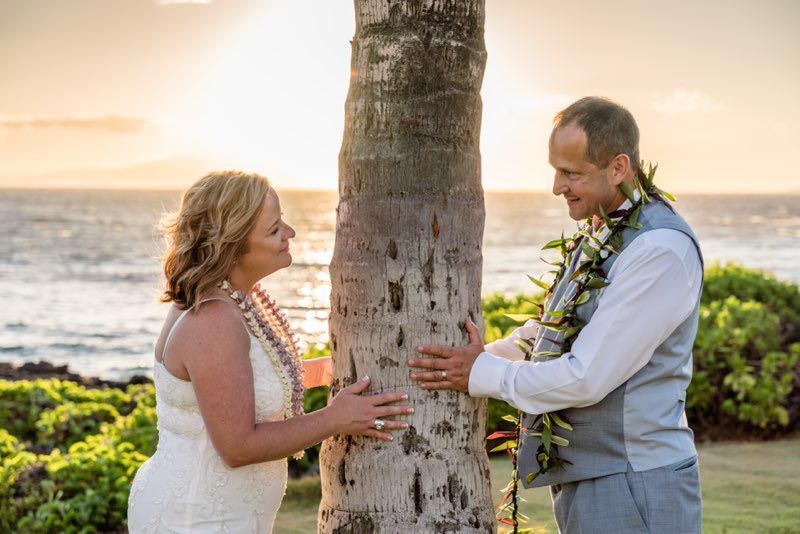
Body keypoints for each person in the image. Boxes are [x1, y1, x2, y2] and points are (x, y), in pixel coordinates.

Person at [408, 97, 703, 533]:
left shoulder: (658, 249)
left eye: (571, 173)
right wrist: (475, 357)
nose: (556, 186)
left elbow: (586, 375)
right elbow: (556, 330)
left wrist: (483, 373)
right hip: (597, 476)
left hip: (635, 482)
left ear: (618, 168)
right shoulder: (604, 230)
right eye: (556, 169)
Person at [127, 171, 412, 532]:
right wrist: (335, 418)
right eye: (274, 229)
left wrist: (327, 370)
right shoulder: (214, 319)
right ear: (232, 245)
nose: (290, 233)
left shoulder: (231, 298)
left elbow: (237, 384)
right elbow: (238, 446)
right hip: (197, 517)